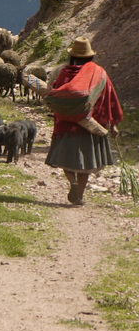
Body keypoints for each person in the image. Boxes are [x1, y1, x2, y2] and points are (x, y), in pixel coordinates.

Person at [44, 37, 123, 205]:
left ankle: (71, 182)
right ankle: (79, 194)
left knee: (67, 161)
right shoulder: (99, 73)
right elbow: (109, 97)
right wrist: (113, 122)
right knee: (85, 165)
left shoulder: (65, 72)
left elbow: (56, 93)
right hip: (90, 126)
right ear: (90, 56)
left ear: (73, 55)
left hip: (65, 126)